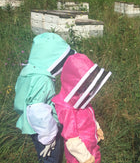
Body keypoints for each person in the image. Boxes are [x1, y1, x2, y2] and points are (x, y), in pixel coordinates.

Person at [14, 32, 76, 163]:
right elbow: (38, 110)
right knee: (51, 159)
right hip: (45, 130)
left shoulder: (28, 72)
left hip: (34, 126)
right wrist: (49, 137)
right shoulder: (43, 80)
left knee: (44, 157)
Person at [52, 53, 112, 163]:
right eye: (85, 84)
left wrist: (97, 127)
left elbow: (89, 116)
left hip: (91, 146)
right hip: (79, 157)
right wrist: (86, 159)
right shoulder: (67, 109)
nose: (87, 88)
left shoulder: (81, 100)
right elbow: (71, 139)